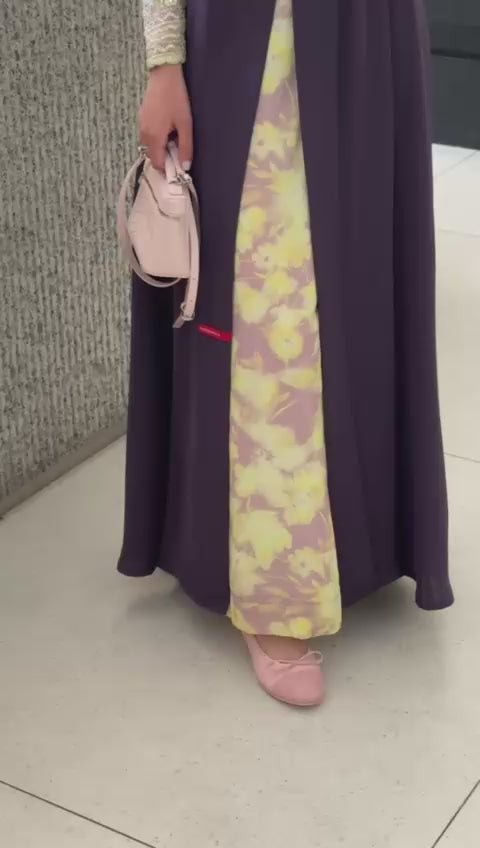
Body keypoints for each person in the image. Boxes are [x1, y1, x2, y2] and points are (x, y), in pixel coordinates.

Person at [118, 0, 453, 707]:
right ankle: (274, 582)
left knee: (360, 285)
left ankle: (359, 540)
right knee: (268, 298)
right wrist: (164, 59)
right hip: (253, 36)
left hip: (373, 33)